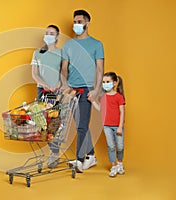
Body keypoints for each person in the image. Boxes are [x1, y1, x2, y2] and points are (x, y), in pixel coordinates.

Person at [61, 9, 104, 172]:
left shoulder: (97, 44)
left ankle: (79, 160)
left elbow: (100, 69)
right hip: (71, 89)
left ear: (87, 23)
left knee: (81, 126)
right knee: (81, 124)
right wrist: (64, 86)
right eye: (74, 22)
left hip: (87, 90)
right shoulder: (68, 45)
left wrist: (97, 91)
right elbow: (64, 68)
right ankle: (91, 156)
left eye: (79, 22)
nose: (76, 25)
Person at [31, 25, 62, 168]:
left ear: (57, 37)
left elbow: (65, 73)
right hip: (42, 91)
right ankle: (52, 152)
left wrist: (58, 85)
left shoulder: (62, 53)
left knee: (56, 124)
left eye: (51, 33)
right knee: (43, 123)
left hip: (57, 92)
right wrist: (43, 84)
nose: (48, 35)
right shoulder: (38, 53)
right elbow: (34, 73)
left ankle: (54, 153)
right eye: (46, 33)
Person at [92, 72, 125, 177]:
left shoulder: (119, 97)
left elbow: (122, 112)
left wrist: (120, 127)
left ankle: (120, 163)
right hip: (106, 126)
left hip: (117, 126)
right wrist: (93, 101)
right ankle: (113, 165)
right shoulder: (103, 97)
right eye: (103, 82)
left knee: (120, 147)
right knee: (111, 146)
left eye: (108, 82)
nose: (105, 84)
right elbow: (101, 110)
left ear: (114, 83)